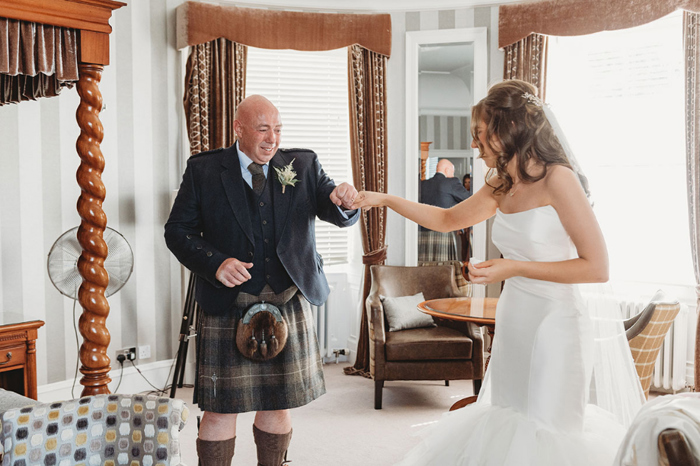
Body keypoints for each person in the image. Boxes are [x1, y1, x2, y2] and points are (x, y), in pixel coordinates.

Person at [351, 79, 643, 465]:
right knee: (509, 423)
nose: (475, 145)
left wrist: (514, 267)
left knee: (548, 432)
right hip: (516, 318)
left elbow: (597, 267)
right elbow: (446, 218)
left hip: (556, 325)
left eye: (479, 134)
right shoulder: (500, 183)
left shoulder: (559, 179)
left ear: (508, 130)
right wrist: (385, 199)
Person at [165, 95, 360, 466]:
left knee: (278, 401)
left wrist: (344, 201)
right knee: (220, 409)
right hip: (228, 301)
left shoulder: (302, 163)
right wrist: (216, 263)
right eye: (262, 129)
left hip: (287, 297)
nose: (272, 138)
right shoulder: (204, 170)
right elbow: (177, 231)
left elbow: (333, 205)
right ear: (239, 129)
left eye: (278, 129)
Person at [418, 159, 470, 262]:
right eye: (452, 172)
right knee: (444, 269)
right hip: (443, 232)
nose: (453, 175)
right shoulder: (451, 182)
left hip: (422, 233)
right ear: (447, 169)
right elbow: (469, 200)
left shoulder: (423, 184)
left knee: (424, 267)